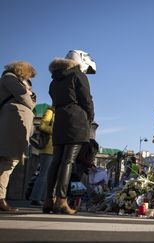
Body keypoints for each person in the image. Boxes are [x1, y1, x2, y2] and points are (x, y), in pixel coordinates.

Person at [44, 50, 95, 214]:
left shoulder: (55, 80)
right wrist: (89, 118)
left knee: (56, 161)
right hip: (76, 120)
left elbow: (53, 97)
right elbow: (87, 99)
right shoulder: (78, 75)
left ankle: (48, 200)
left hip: (60, 120)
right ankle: (61, 200)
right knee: (68, 161)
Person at [0, 61, 37, 212]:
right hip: (13, 123)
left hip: (15, 122)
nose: (29, 80)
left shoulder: (10, 80)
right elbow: (27, 100)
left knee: (9, 162)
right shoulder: (10, 78)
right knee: (8, 161)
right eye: (29, 76)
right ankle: (0, 198)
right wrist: (30, 95)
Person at [29, 106, 54, 206]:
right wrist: (56, 130)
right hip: (47, 148)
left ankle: (41, 198)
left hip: (52, 149)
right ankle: (36, 198)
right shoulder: (49, 111)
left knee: (46, 175)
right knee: (43, 175)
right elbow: (42, 126)